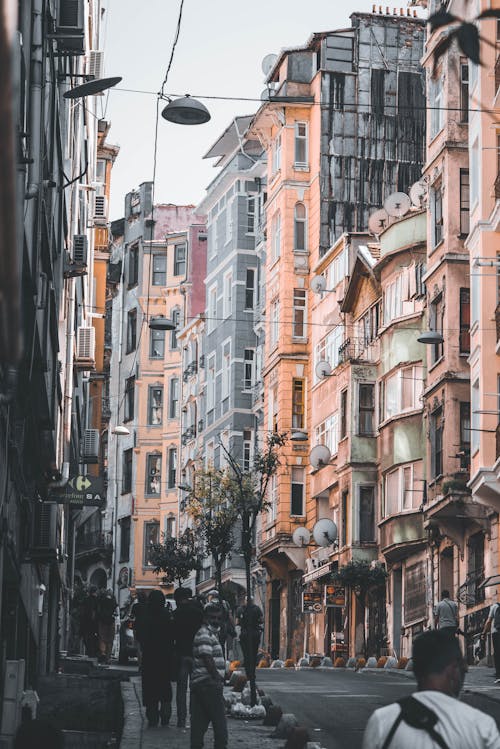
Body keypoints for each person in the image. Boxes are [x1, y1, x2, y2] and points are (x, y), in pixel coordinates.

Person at [362, 629, 500, 749]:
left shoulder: (383, 722)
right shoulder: (481, 726)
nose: (465, 670)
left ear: (415, 669)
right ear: (453, 669)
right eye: (463, 667)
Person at [191, 602, 228, 749]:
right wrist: (217, 679)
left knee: (198, 727)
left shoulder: (210, 634)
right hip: (208, 684)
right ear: (205, 618)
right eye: (213, 618)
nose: (216, 621)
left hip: (202, 685)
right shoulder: (204, 634)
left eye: (219, 618)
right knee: (220, 728)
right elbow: (207, 658)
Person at [141, 589, 175, 728]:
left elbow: (140, 636)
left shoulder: (145, 616)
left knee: (150, 688)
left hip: (149, 658)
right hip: (165, 657)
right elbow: (173, 636)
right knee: (165, 687)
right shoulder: (167, 616)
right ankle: (166, 715)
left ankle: (152, 716)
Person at [172, 586, 203, 729]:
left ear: (178, 599)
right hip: (196, 654)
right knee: (196, 688)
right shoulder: (198, 612)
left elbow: (171, 637)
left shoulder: (175, 613)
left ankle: (181, 719)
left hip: (181, 654)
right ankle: (195, 717)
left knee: (181, 689)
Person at [96, 588, 118, 664]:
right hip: (111, 622)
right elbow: (116, 613)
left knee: (102, 638)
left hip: (102, 621)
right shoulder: (114, 602)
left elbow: (98, 610)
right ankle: (108, 658)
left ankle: (103, 652)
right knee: (110, 641)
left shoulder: (101, 600)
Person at [481, 597, 500, 682]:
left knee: (497, 653)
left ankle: (498, 674)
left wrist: (483, 633)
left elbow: (489, 621)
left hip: (496, 632)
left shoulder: (494, 606)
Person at [80, 585, 99, 658]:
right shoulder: (97, 600)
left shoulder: (86, 599)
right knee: (93, 638)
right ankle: (92, 652)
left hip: (86, 622)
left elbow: (82, 611)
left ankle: (89, 651)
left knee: (86, 637)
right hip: (94, 623)